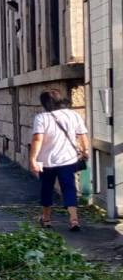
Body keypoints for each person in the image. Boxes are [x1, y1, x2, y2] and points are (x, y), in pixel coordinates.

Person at [28, 89, 89, 231]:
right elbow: (83, 135)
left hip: (47, 161)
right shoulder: (73, 115)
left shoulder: (42, 118)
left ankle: (47, 219)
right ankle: (74, 220)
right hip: (68, 160)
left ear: (44, 103)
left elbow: (37, 139)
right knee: (69, 188)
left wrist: (32, 159)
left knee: (46, 188)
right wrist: (85, 151)